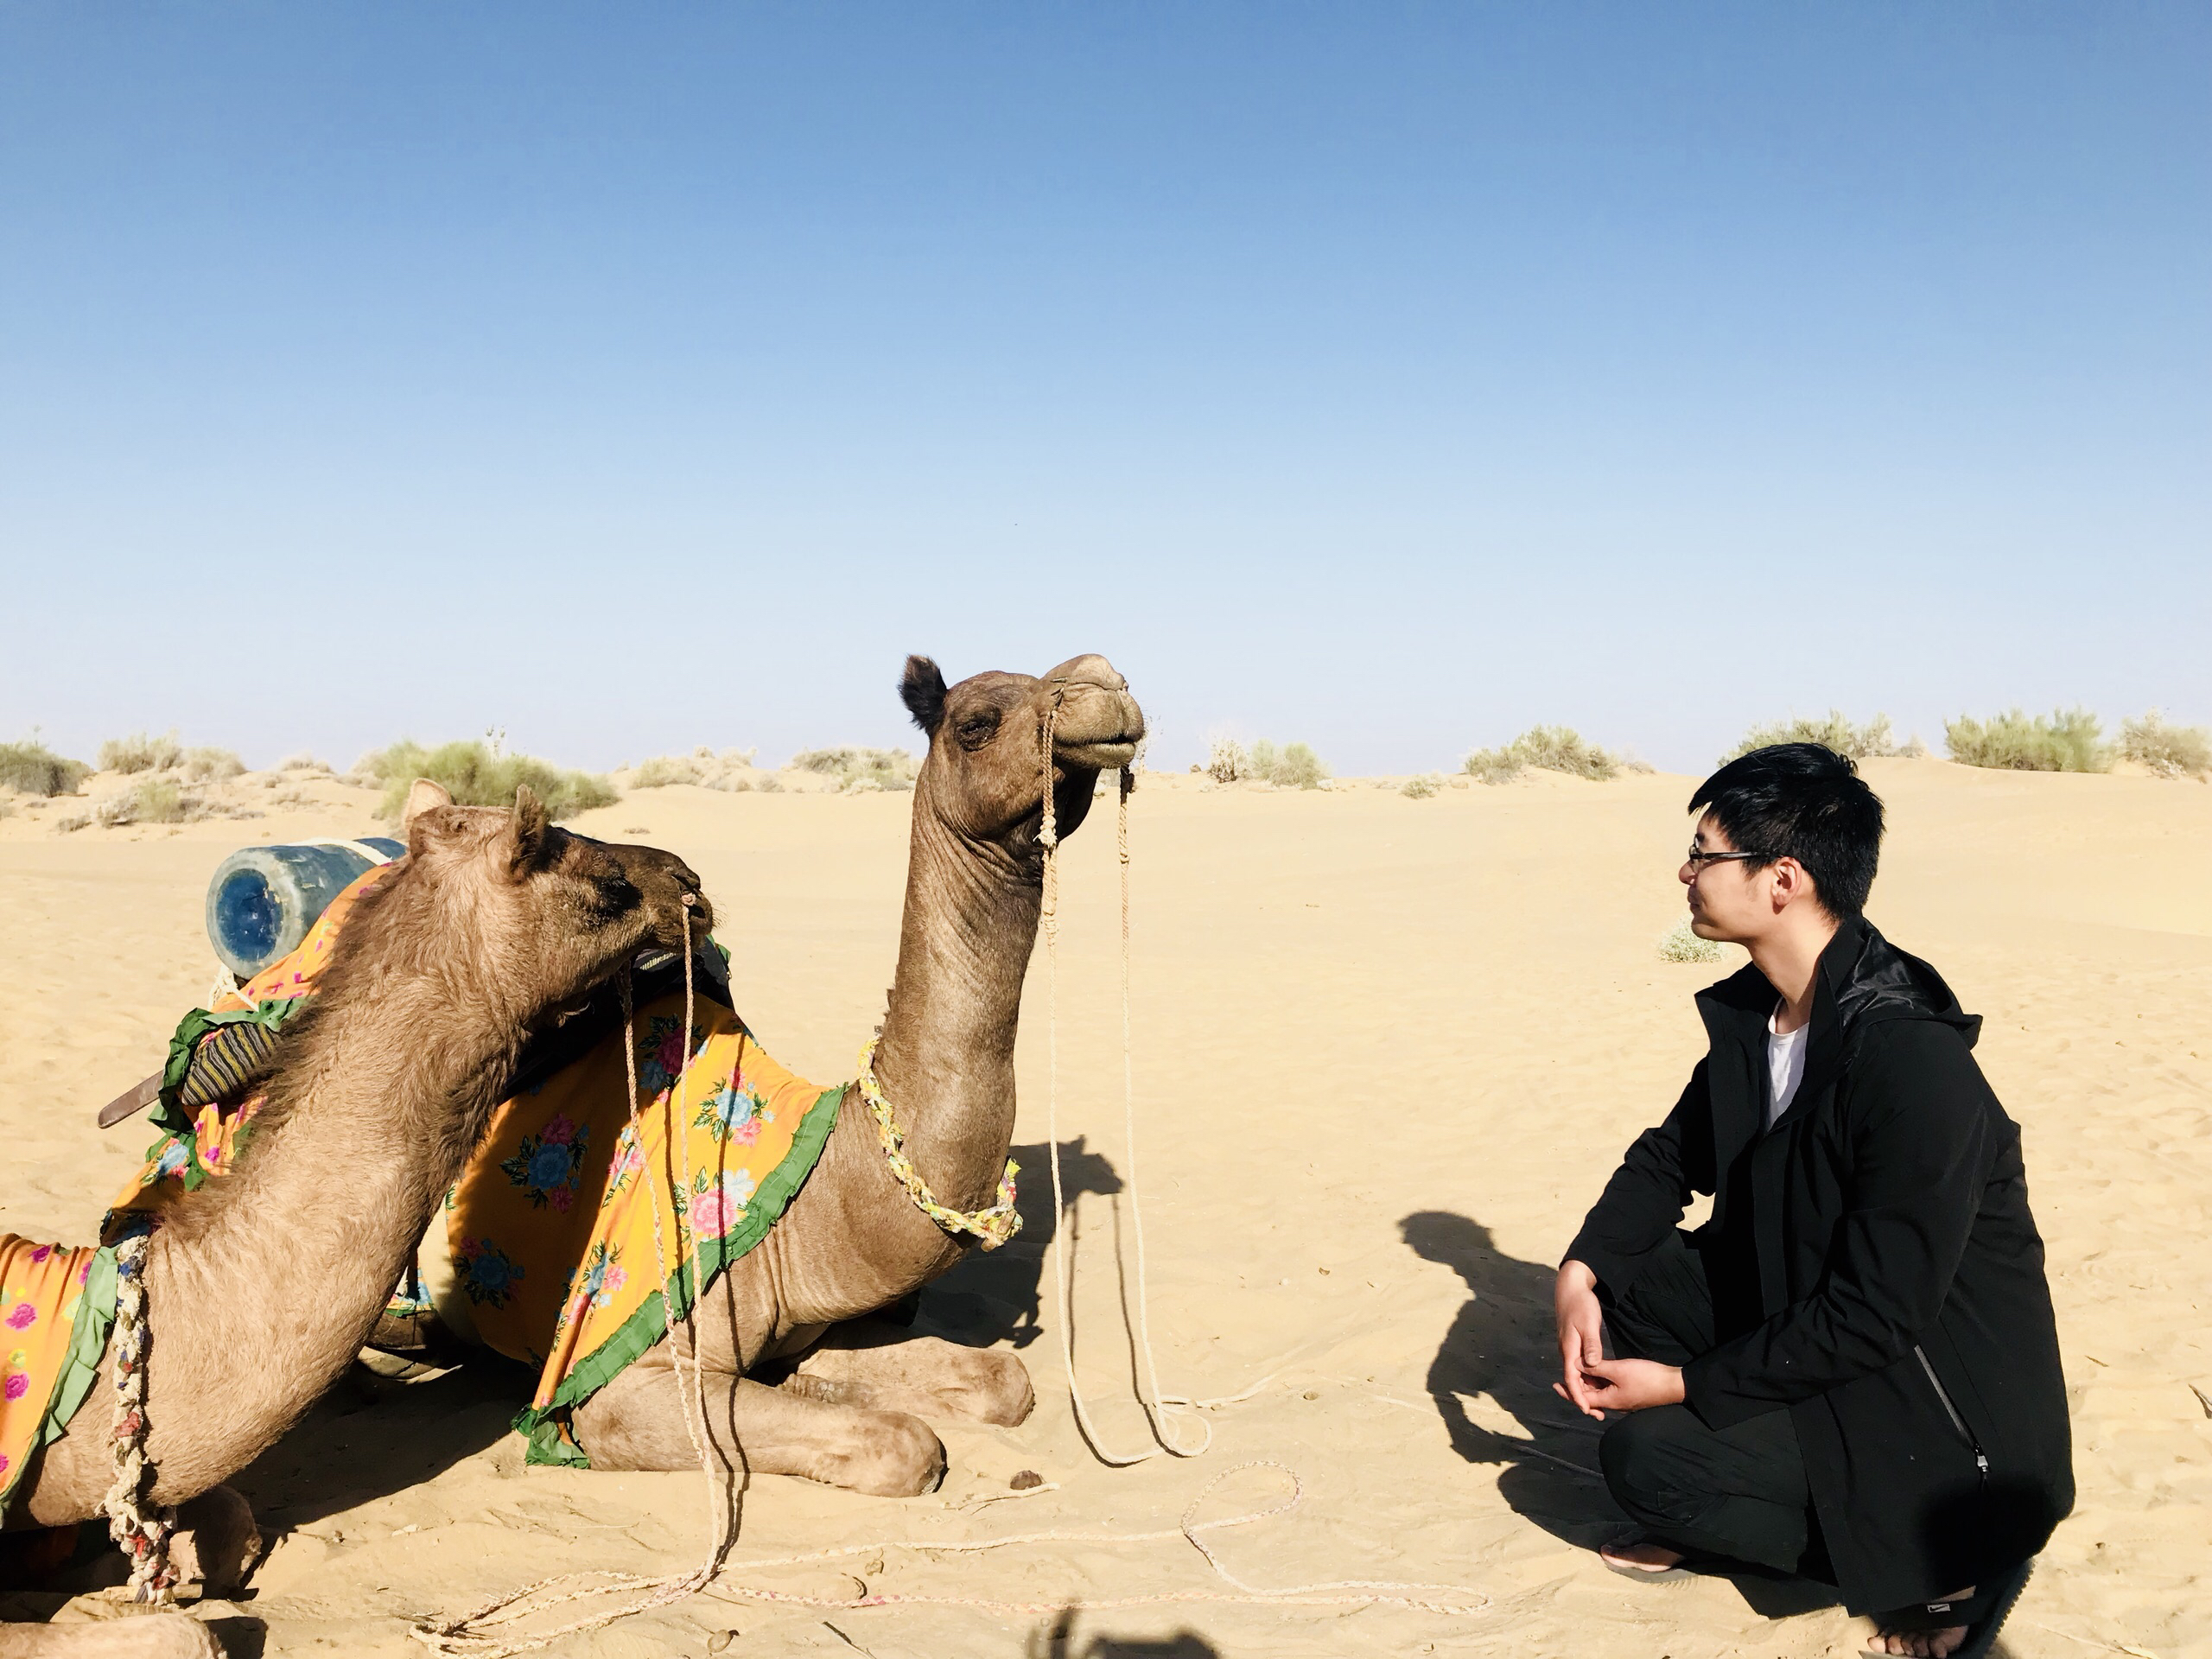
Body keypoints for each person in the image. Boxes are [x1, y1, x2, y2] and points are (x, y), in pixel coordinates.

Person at [1554, 744, 2071, 1659]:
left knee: (1645, 1462)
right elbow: (1671, 1156)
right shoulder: (1766, 1010)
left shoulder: (1910, 1060)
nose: (1685, 870)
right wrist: (1579, 1271)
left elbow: (1879, 1313)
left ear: (1781, 878)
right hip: (1813, 1310)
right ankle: (1753, 1507)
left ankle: (1945, 1571)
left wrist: (1684, 1387)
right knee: (1626, 1290)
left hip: (1938, 1418)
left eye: (1704, 851)